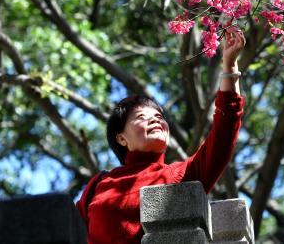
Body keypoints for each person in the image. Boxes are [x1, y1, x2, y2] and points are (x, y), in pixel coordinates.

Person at [75, 25, 246, 244]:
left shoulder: (181, 175)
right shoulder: (99, 184)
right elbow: (69, 230)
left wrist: (229, 67)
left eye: (158, 116)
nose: (155, 119)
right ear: (121, 138)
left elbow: (223, 136)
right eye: (141, 117)